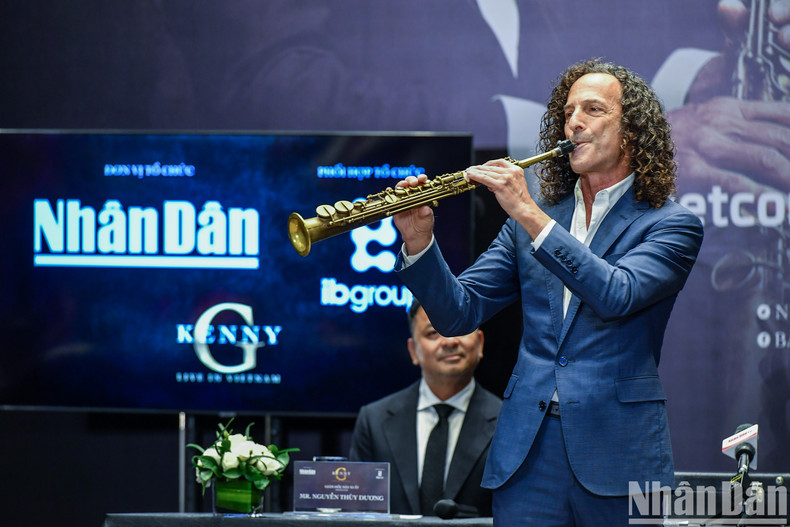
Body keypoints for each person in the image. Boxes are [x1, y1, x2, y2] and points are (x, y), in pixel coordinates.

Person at [392, 59, 705, 526]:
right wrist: (419, 239)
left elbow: (618, 294)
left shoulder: (670, 224)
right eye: (567, 112)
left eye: (593, 110)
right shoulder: (529, 223)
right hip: (528, 456)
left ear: (633, 132)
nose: (573, 122)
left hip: (617, 452)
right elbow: (459, 314)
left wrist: (529, 213)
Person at [348, 298, 502, 517]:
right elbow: (357, 511)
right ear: (413, 350)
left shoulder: (508, 422)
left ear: (480, 343)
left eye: (459, 328)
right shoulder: (374, 421)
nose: (449, 341)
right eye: (433, 333)